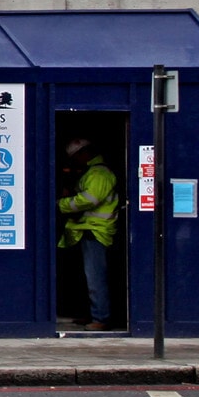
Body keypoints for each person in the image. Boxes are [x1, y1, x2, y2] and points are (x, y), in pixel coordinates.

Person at [58, 136, 119, 330]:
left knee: (96, 277)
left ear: (85, 154)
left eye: (76, 156)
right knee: (87, 276)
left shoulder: (99, 174)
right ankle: (91, 314)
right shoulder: (91, 172)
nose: (74, 161)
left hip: (96, 231)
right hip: (86, 230)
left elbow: (88, 200)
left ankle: (101, 318)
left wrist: (61, 204)